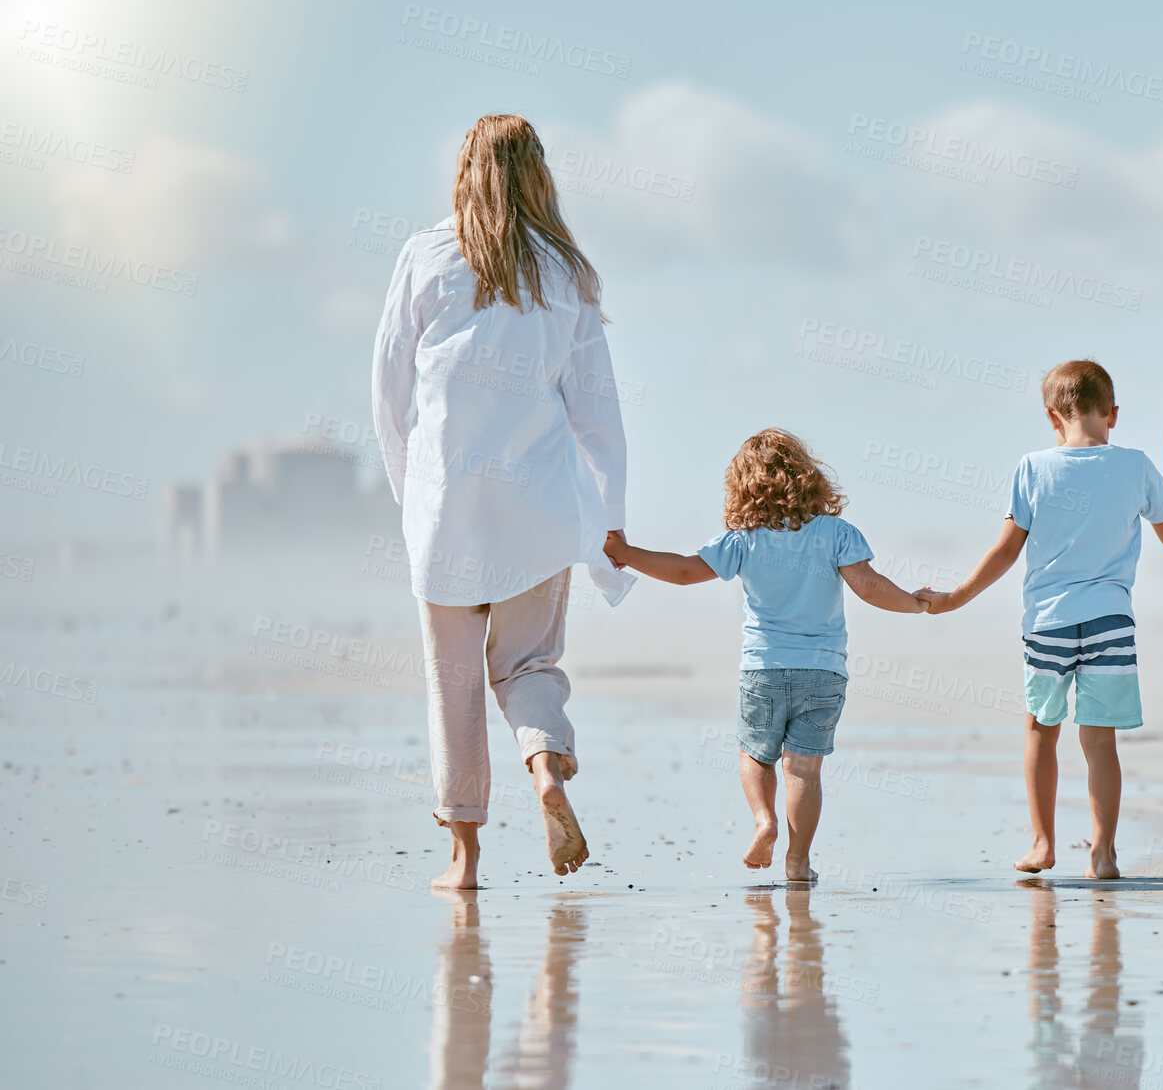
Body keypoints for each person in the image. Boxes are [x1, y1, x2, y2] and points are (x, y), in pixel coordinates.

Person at [372, 114, 636, 890]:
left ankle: (464, 859)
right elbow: (599, 410)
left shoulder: (425, 254)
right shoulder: (565, 271)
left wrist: (409, 495)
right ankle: (545, 768)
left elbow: (388, 394)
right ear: (538, 174)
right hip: (539, 507)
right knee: (528, 664)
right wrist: (610, 521)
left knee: (451, 681)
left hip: (445, 506)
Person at [604, 429, 927, 882]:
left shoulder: (743, 540)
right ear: (808, 476)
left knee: (755, 755)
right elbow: (870, 587)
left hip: (764, 670)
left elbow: (681, 571)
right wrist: (916, 603)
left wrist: (624, 552)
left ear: (742, 486)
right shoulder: (837, 533)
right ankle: (798, 861)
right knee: (804, 771)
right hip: (822, 673)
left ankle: (763, 820)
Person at [919, 361, 1163, 879]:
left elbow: (1005, 550)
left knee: (1040, 729)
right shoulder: (1135, 465)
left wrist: (957, 596)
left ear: (1053, 417)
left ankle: (1043, 843)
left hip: (1047, 620)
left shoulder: (1032, 468)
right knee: (1100, 739)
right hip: (1110, 620)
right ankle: (1104, 853)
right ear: (1112, 414)